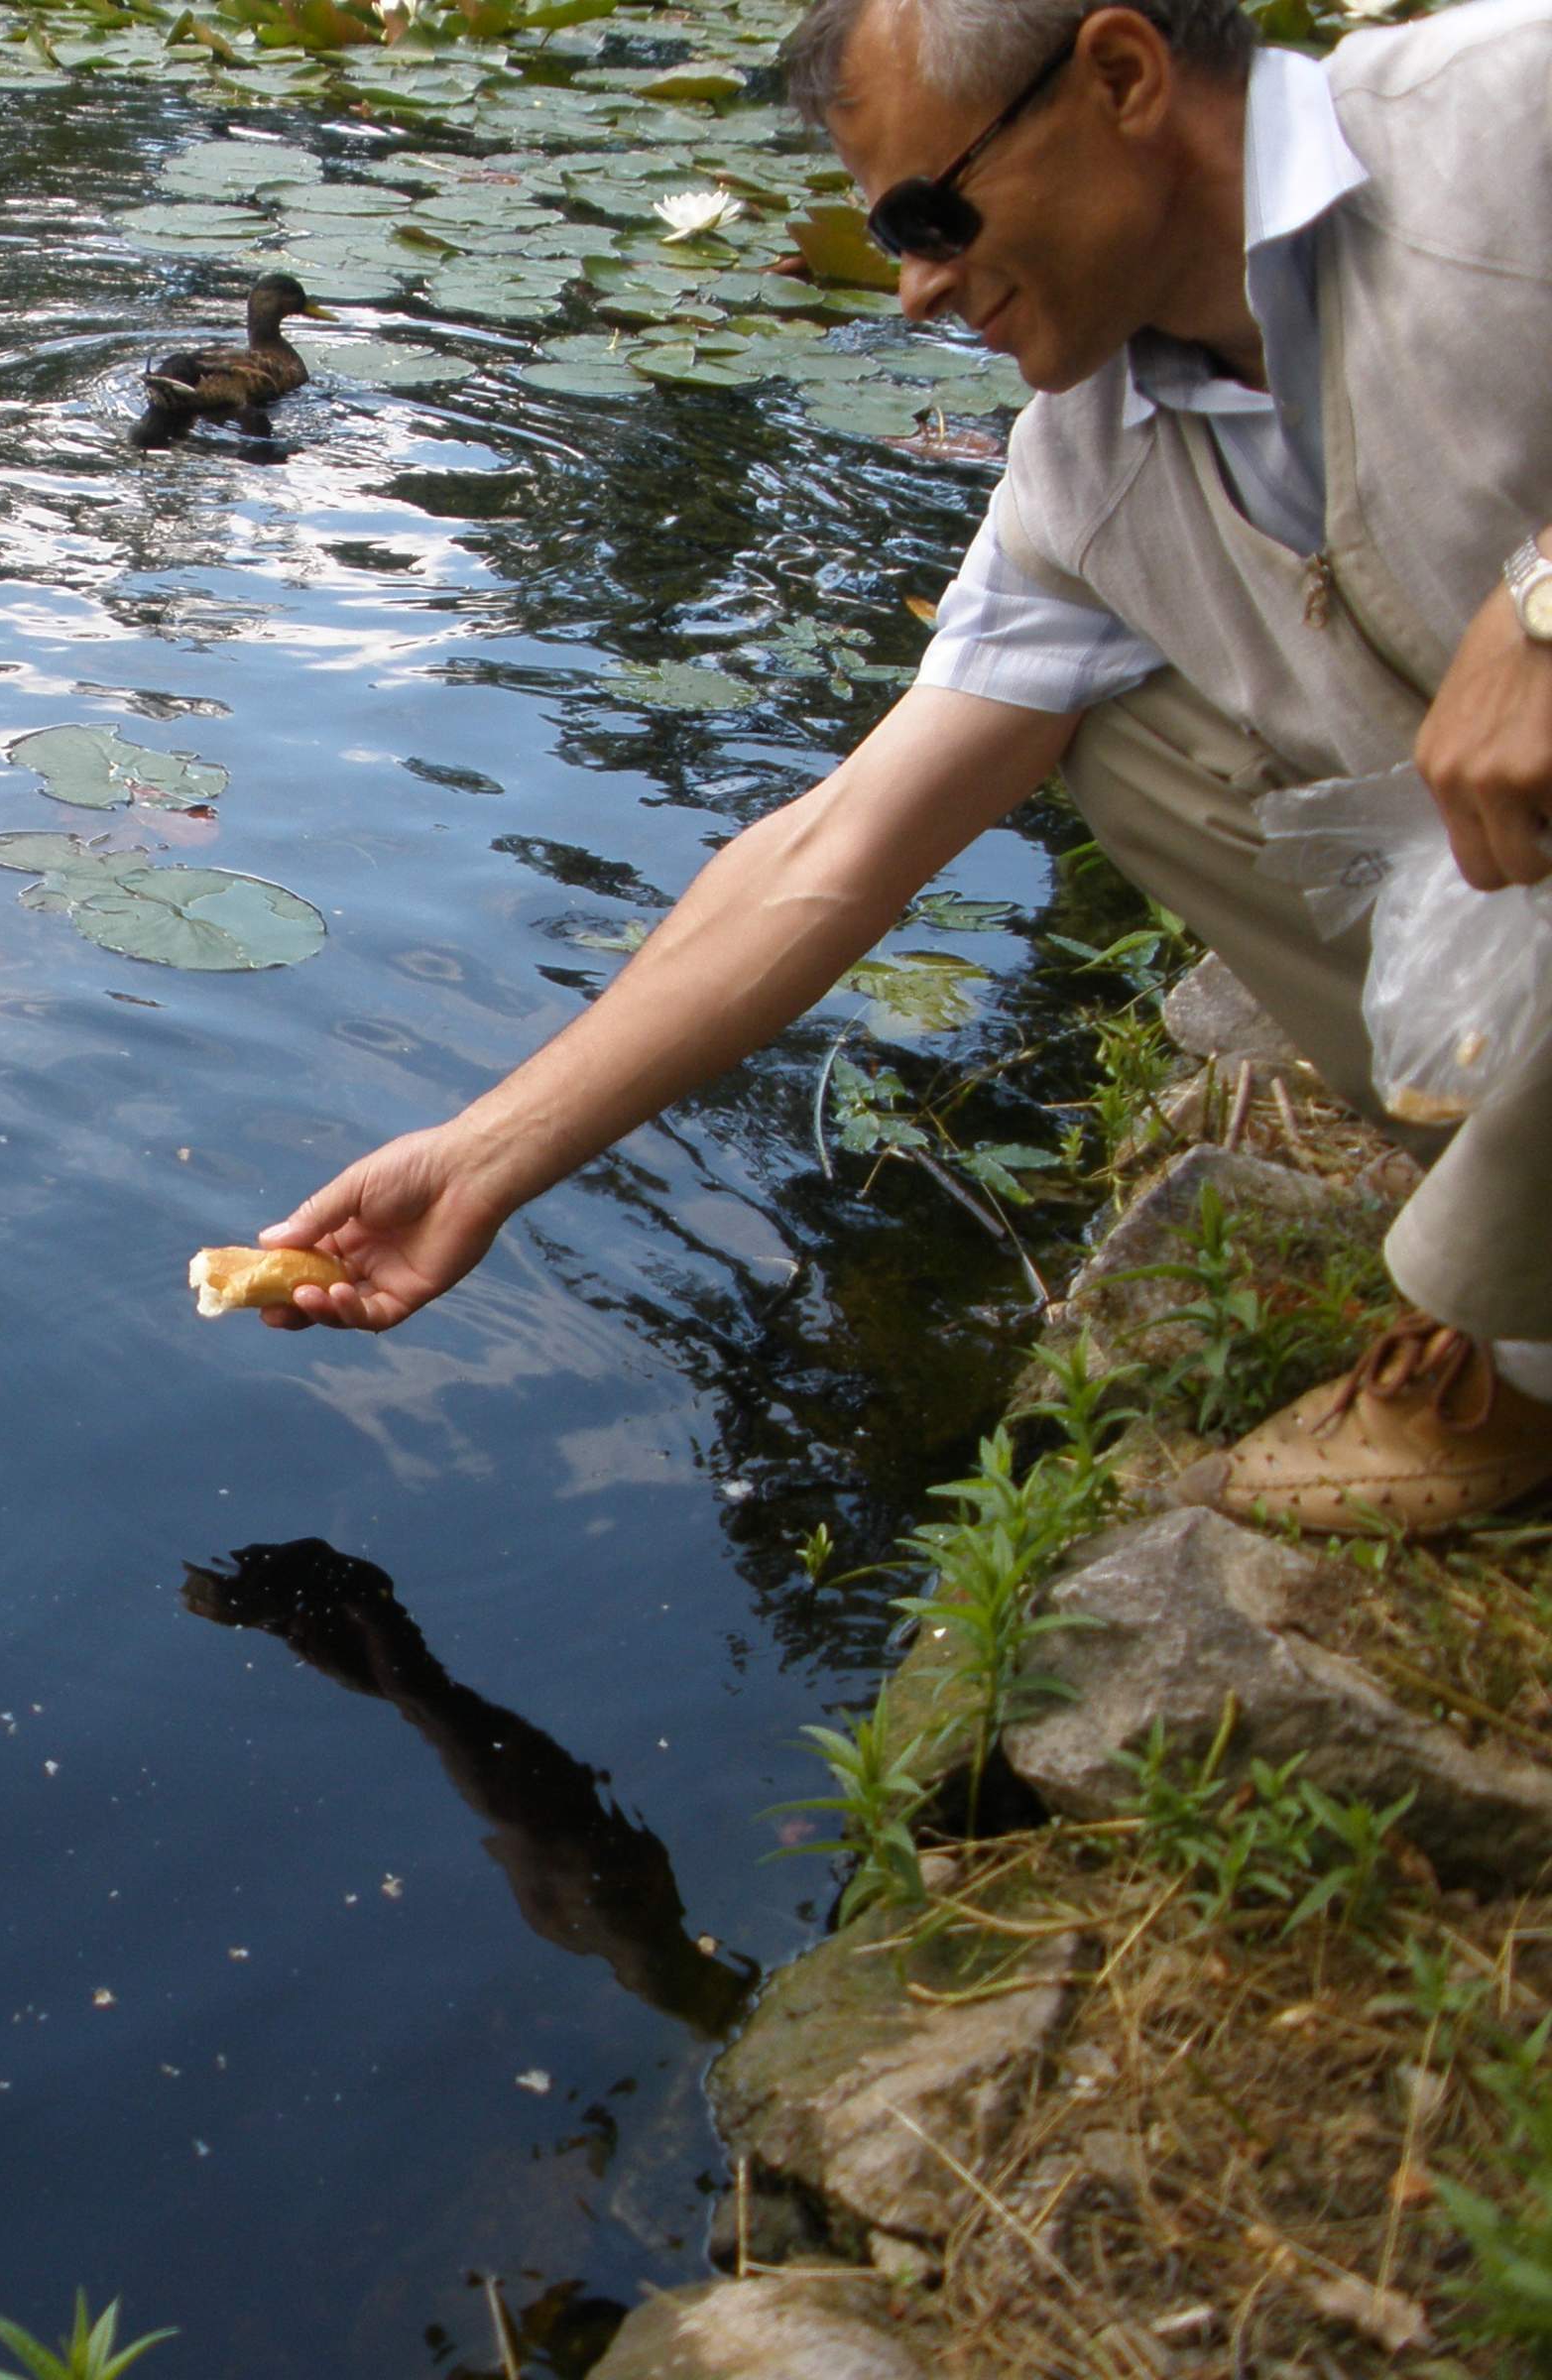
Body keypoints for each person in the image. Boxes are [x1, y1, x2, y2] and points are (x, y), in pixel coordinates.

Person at [259, 0, 1552, 1535]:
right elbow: (839, 849)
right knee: (1131, 742)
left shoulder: (1500, 112)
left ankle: (1521, 1325)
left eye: (929, 217)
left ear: (1122, 78)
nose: (918, 288)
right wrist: (479, 1161)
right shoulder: (1091, 461)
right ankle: (1533, 1268)